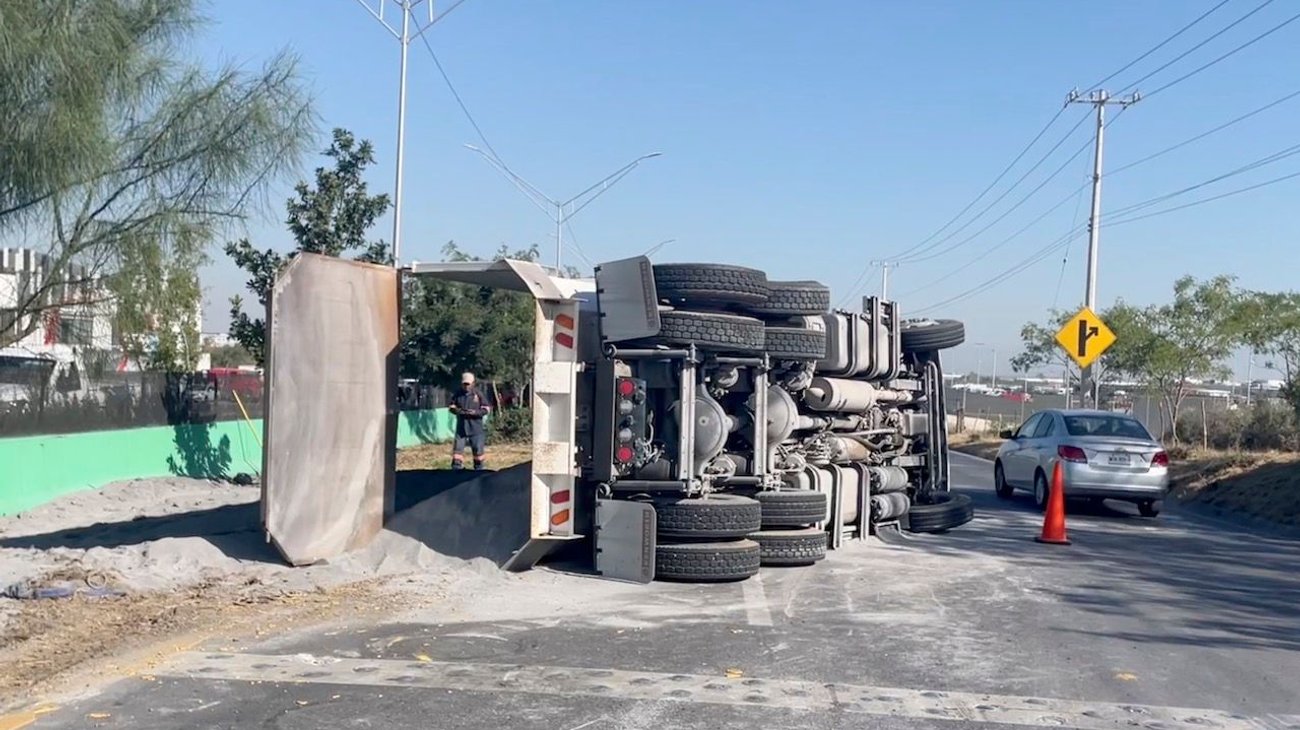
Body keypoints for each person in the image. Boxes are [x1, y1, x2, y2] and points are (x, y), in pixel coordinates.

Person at [449, 371, 488, 470]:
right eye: (464, 384)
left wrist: (475, 413)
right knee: (457, 452)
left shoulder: (478, 394)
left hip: (476, 428)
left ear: (473, 383)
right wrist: (460, 412)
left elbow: (486, 409)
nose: (466, 386)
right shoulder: (457, 394)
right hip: (461, 428)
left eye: (468, 384)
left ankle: (478, 471)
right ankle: (456, 470)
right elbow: (451, 407)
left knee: (478, 452)